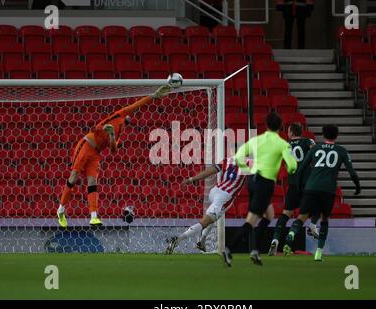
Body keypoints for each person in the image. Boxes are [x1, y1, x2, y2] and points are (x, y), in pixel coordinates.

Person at [56, 85, 172, 227]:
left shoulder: (120, 130)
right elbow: (99, 126)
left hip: (96, 154)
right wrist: (153, 96)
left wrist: (111, 135)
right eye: (130, 113)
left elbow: (113, 150)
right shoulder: (119, 114)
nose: (131, 115)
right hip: (86, 146)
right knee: (73, 177)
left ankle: (93, 217)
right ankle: (61, 209)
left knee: (92, 182)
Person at [222, 112, 298, 267]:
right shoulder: (283, 144)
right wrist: (291, 171)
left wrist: (246, 168)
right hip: (265, 183)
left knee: (269, 214)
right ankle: (229, 248)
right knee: (251, 221)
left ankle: (255, 251)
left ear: (267, 125)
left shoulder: (256, 140)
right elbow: (292, 165)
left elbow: (238, 157)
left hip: (252, 180)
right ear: (280, 127)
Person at [283, 124, 361, 261]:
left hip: (311, 187)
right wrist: (357, 187)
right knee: (324, 219)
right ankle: (318, 252)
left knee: (302, 216)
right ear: (336, 136)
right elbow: (352, 172)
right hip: (328, 189)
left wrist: (300, 186)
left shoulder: (315, 148)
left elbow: (301, 168)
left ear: (323, 135)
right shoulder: (342, 151)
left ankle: (291, 234)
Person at [165, 156, 251, 254]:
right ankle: (179, 239)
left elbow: (209, 171)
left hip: (214, 191)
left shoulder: (228, 160)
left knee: (214, 217)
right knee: (204, 222)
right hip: (224, 197)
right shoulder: (249, 162)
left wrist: (191, 179)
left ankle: (202, 241)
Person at [268, 122, 316, 256]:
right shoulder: (308, 141)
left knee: (285, 214)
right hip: (307, 185)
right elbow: (316, 153)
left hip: (293, 184)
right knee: (303, 215)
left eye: (288, 131)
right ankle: (290, 237)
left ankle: (275, 239)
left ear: (291, 133)